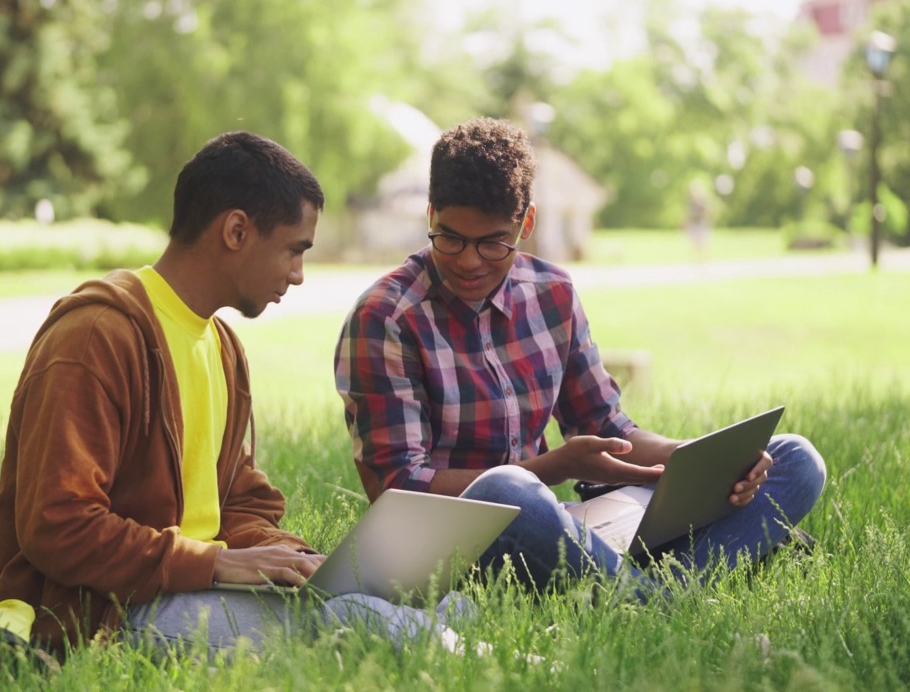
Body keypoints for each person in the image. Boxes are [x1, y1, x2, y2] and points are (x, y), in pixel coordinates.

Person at [0, 131, 464, 657]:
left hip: (195, 585)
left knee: (444, 604)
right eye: (293, 250)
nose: (298, 275)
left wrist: (304, 561)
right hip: (110, 611)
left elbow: (238, 501)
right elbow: (56, 526)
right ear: (235, 231)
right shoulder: (96, 335)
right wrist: (216, 563)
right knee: (352, 621)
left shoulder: (222, 345)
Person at [334, 118, 826, 591]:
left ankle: (642, 583)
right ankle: (659, 599)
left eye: (492, 243)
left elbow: (607, 428)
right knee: (508, 492)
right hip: (450, 545)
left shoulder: (553, 294)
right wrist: (553, 469)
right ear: (429, 215)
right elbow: (400, 491)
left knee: (795, 459)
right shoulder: (386, 318)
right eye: (450, 238)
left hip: (553, 523)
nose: (467, 261)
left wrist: (704, 460)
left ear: (525, 223)